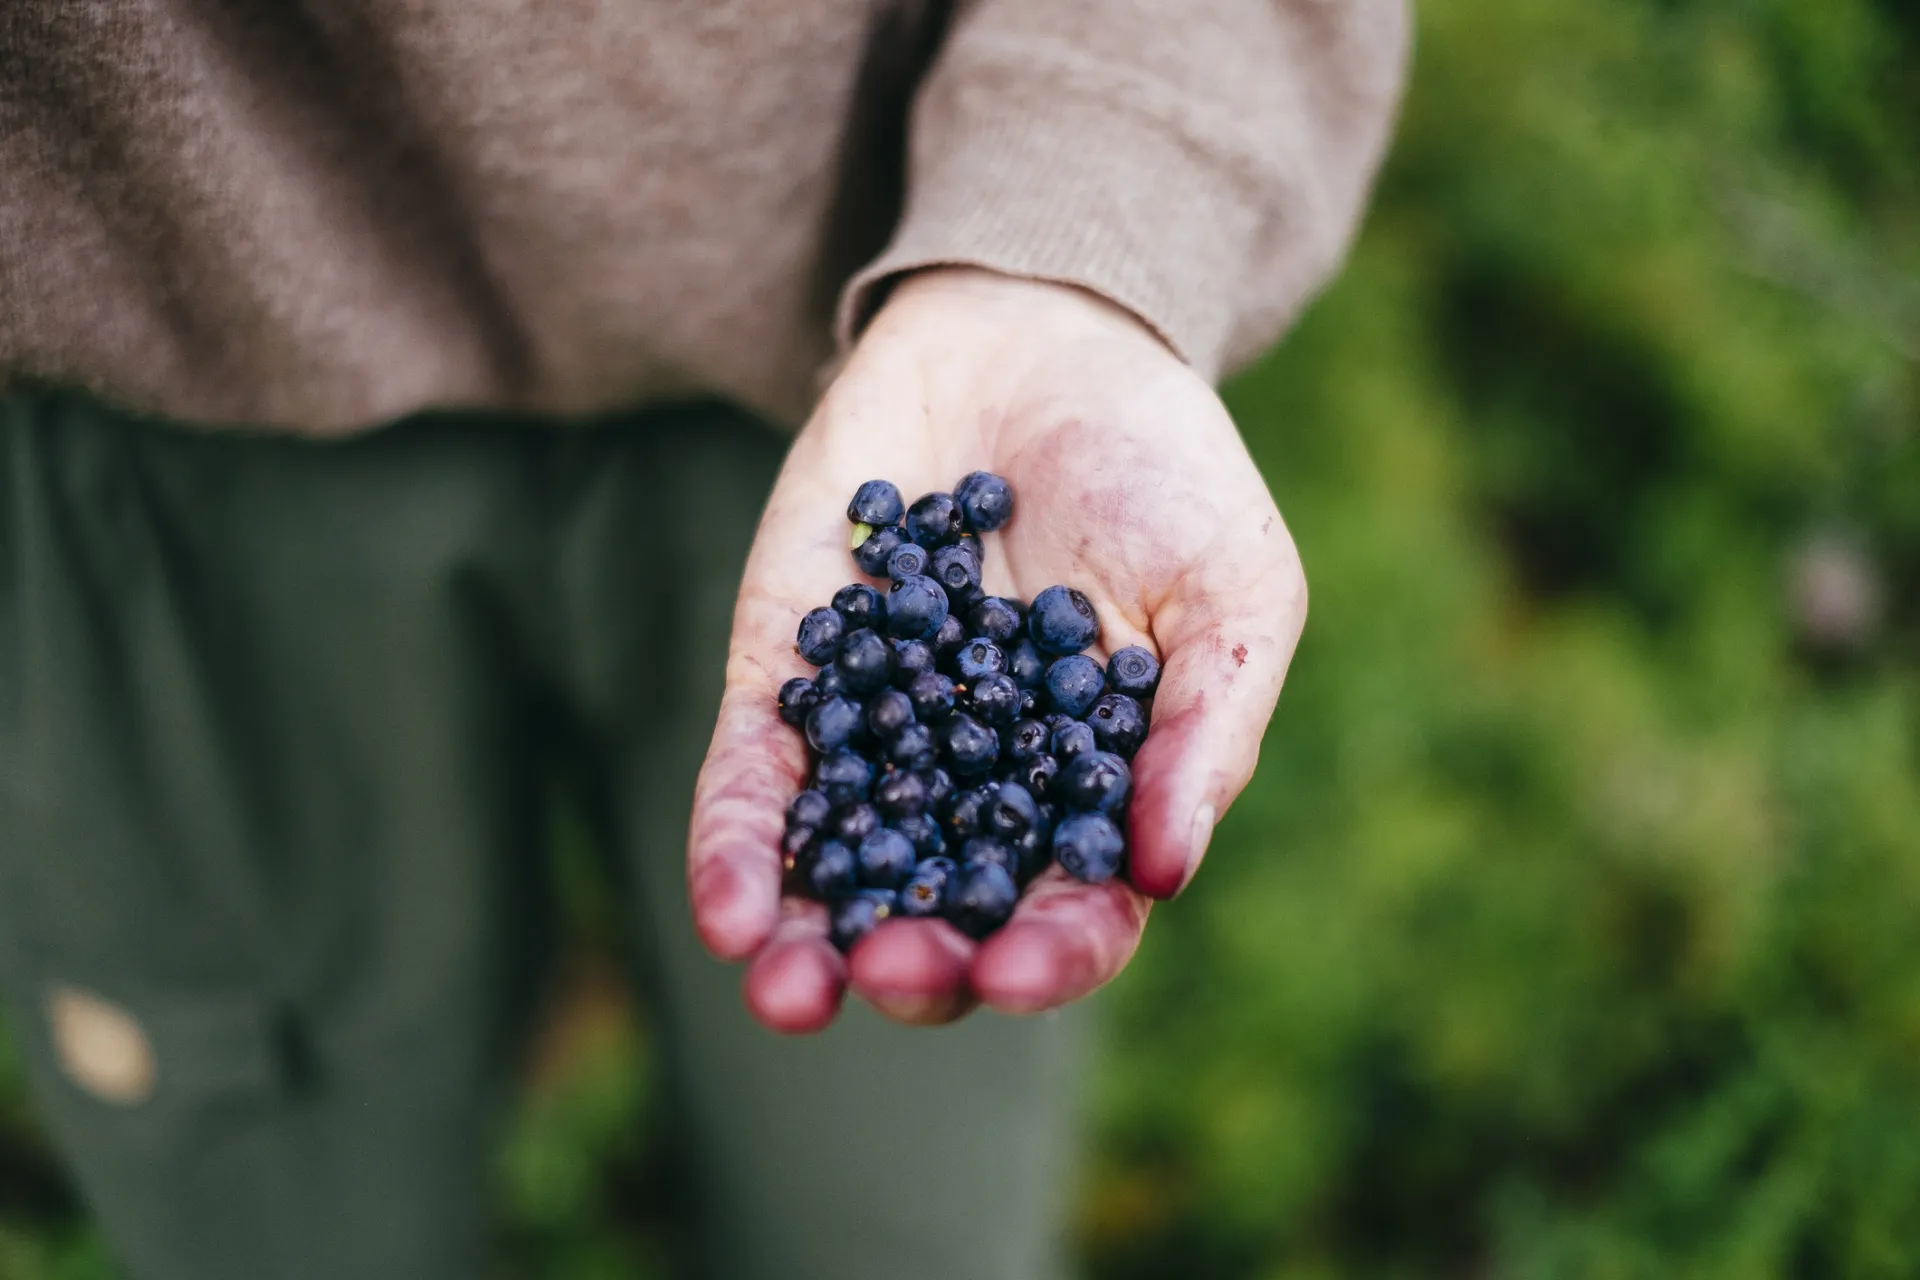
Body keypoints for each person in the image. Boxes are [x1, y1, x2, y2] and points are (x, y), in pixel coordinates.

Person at [0, 2, 1408, 1276]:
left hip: (867, 329)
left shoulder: (931, 549)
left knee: (889, 1203)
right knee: (280, 1192)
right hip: (167, 388)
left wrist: (1084, 223)